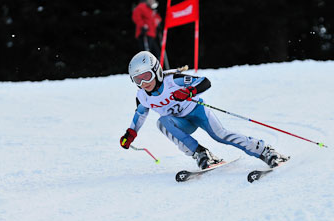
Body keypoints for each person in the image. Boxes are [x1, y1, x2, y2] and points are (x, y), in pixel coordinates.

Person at [120, 51, 288, 169]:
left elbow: (204, 81)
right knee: (162, 123)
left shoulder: (173, 80)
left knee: (221, 135)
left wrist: (189, 91)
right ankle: (201, 153)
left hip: (198, 112)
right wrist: (131, 133)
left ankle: (264, 151)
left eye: (146, 77)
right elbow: (140, 115)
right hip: (181, 123)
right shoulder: (142, 96)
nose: (144, 83)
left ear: (156, 71)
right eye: (137, 80)